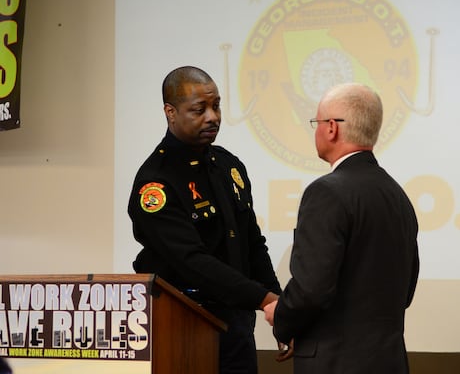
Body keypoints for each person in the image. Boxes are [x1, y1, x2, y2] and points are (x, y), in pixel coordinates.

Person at [128, 66, 281, 374]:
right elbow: (191, 261)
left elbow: (252, 242)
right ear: (170, 112)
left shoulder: (228, 165)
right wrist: (263, 298)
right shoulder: (156, 182)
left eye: (216, 106)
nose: (212, 117)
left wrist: (280, 306)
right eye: (199, 109)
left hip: (236, 326)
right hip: (185, 326)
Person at [264, 83, 420, 373]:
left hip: (336, 363)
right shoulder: (398, 196)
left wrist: (281, 315)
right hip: (389, 363)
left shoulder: (326, 192)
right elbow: (406, 291)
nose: (317, 130)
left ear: (332, 128)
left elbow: (311, 290)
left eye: (317, 122)